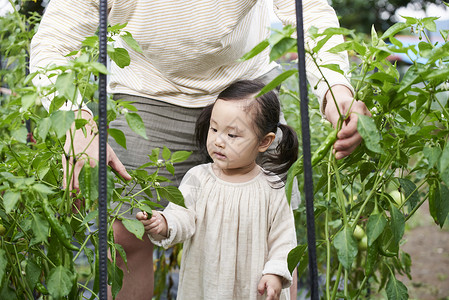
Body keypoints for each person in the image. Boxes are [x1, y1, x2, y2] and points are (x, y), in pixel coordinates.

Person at [30, 0, 371, 299]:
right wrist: (77, 122)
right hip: (149, 91)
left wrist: (337, 92)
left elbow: (307, 9)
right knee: (126, 233)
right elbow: (53, 40)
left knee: (271, 233)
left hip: (245, 90)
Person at [137, 80, 298, 300]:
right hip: (207, 285)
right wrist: (165, 223)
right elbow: (183, 216)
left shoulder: (272, 188)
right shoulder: (198, 178)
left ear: (264, 142)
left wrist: (275, 274)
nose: (218, 141)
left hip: (252, 287)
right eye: (214, 129)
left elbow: (284, 240)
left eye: (232, 135)